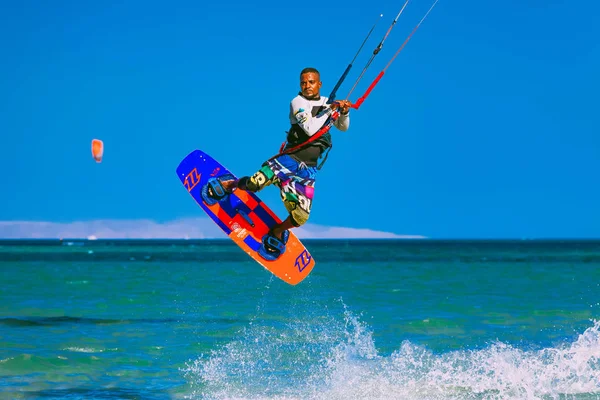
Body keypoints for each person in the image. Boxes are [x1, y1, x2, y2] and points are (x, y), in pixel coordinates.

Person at [203, 67, 351, 260]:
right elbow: (309, 128)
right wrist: (330, 110)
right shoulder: (298, 102)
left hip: (307, 172)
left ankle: (278, 231)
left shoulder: (326, 103)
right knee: (255, 183)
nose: (307, 86)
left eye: (311, 82)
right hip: (287, 161)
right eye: (303, 82)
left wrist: (344, 112)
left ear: (320, 84)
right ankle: (229, 184)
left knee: (301, 217)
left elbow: (343, 127)